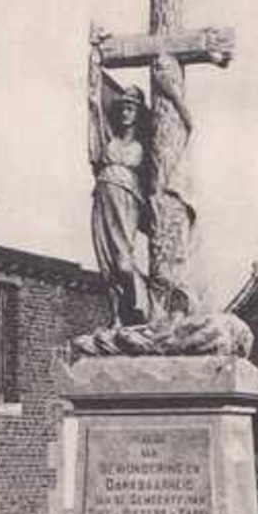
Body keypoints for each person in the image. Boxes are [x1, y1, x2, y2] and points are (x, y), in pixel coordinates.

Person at [88, 48, 151, 327]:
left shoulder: (143, 146)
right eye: (123, 107)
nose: (126, 112)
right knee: (107, 264)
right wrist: (94, 59)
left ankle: (142, 305)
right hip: (103, 195)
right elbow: (93, 105)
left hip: (127, 199)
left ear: (138, 113)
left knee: (124, 261)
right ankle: (115, 318)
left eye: (131, 108)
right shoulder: (109, 139)